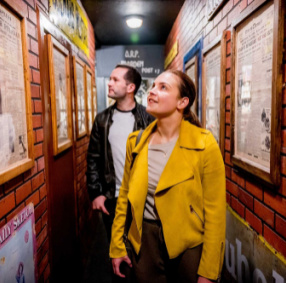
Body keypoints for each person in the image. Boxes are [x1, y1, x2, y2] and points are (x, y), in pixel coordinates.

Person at [110, 70, 226, 283]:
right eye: (153, 86)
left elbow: (215, 214)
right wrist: (117, 246)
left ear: (182, 102)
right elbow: (124, 197)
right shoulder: (136, 142)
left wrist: (208, 272)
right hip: (144, 244)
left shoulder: (204, 144)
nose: (152, 91)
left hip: (188, 247)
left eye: (163, 87)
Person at [86, 64, 154, 243]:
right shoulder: (102, 119)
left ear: (130, 87)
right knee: (116, 250)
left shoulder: (149, 119)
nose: (109, 83)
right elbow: (93, 158)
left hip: (144, 198)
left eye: (115, 80)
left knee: (143, 251)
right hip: (112, 198)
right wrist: (96, 193)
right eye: (110, 79)